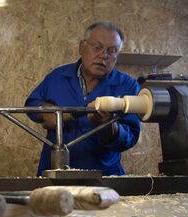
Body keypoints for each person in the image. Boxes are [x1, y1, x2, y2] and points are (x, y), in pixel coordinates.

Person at [25, 21, 141, 176]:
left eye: (112, 51)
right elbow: (31, 104)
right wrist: (45, 111)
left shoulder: (128, 85)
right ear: (82, 47)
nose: (104, 55)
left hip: (103, 176)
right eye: (97, 47)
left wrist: (109, 128)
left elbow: (131, 137)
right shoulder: (57, 77)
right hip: (55, 173)